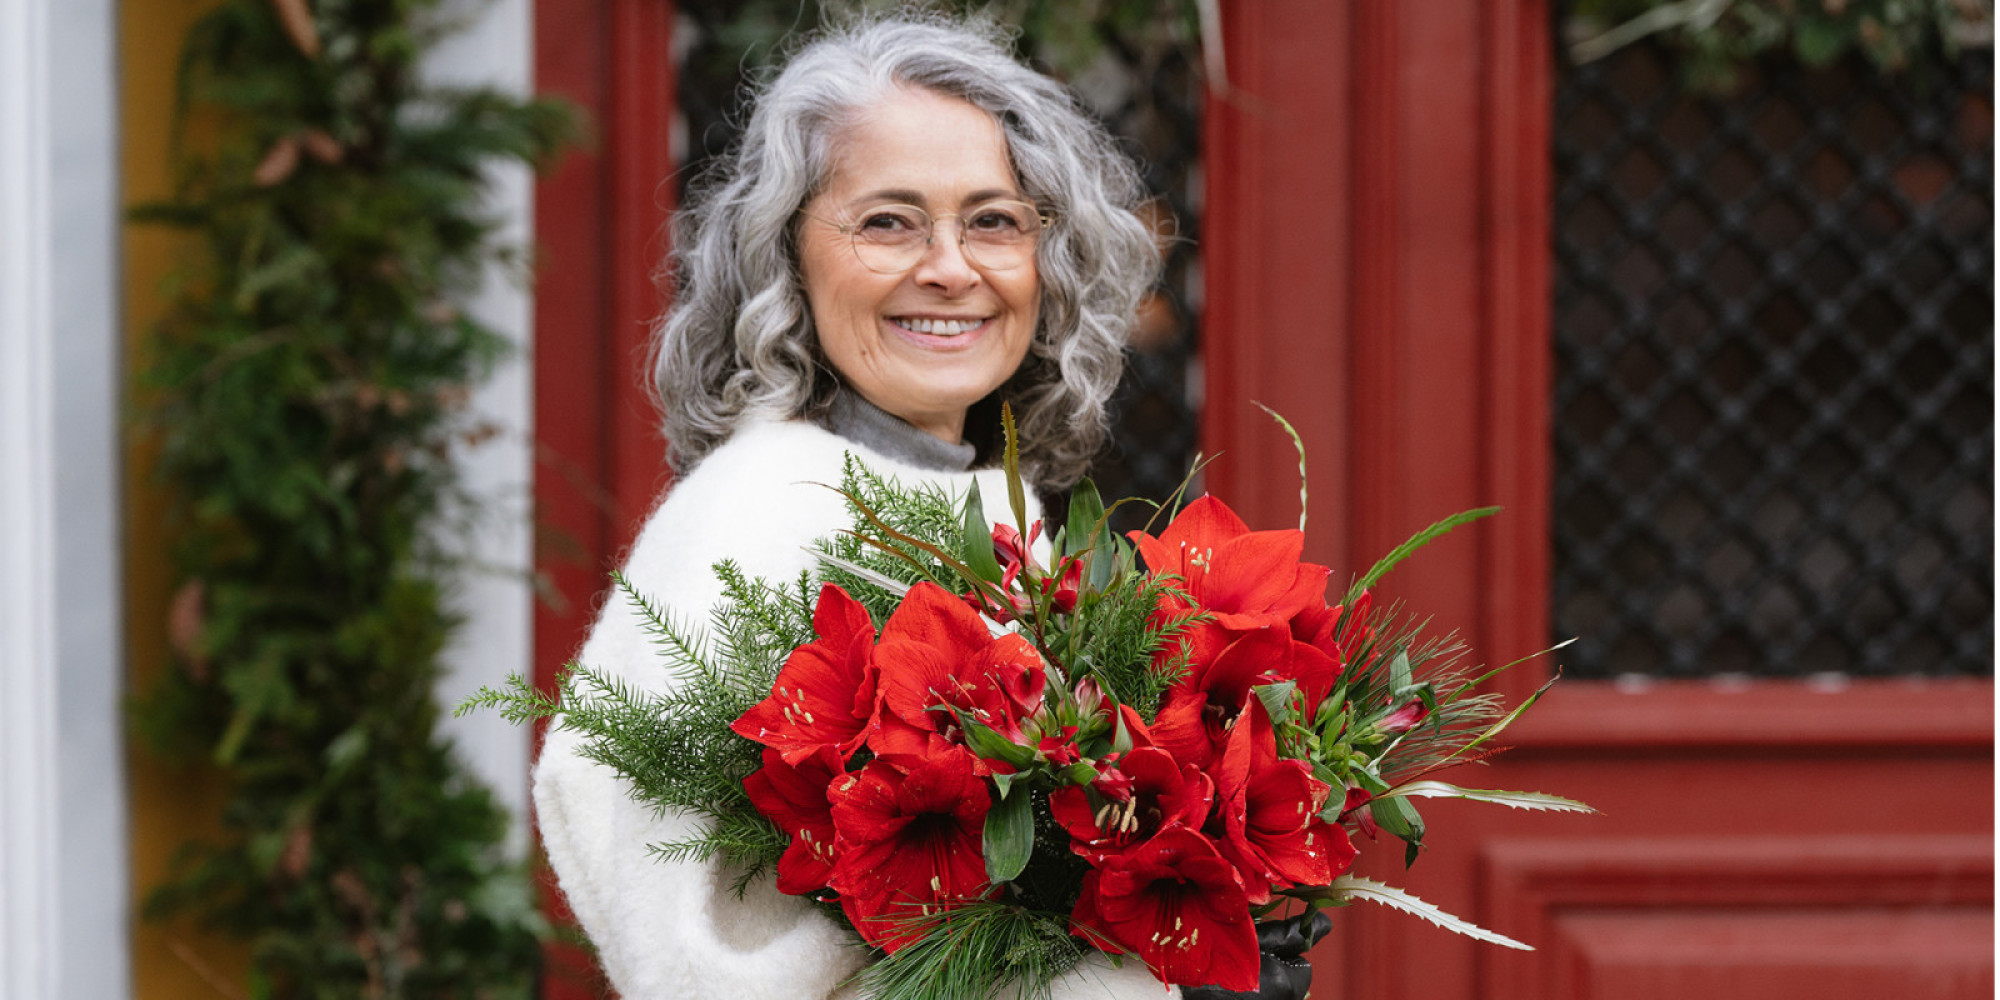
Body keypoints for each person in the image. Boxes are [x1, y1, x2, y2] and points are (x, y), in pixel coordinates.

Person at [530, 14, 1171, 1000]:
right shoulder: (749, 511)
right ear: (785, 255)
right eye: (888, 222)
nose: (950, 267)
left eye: (993, 221)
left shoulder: (992, 498)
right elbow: (618, 828)